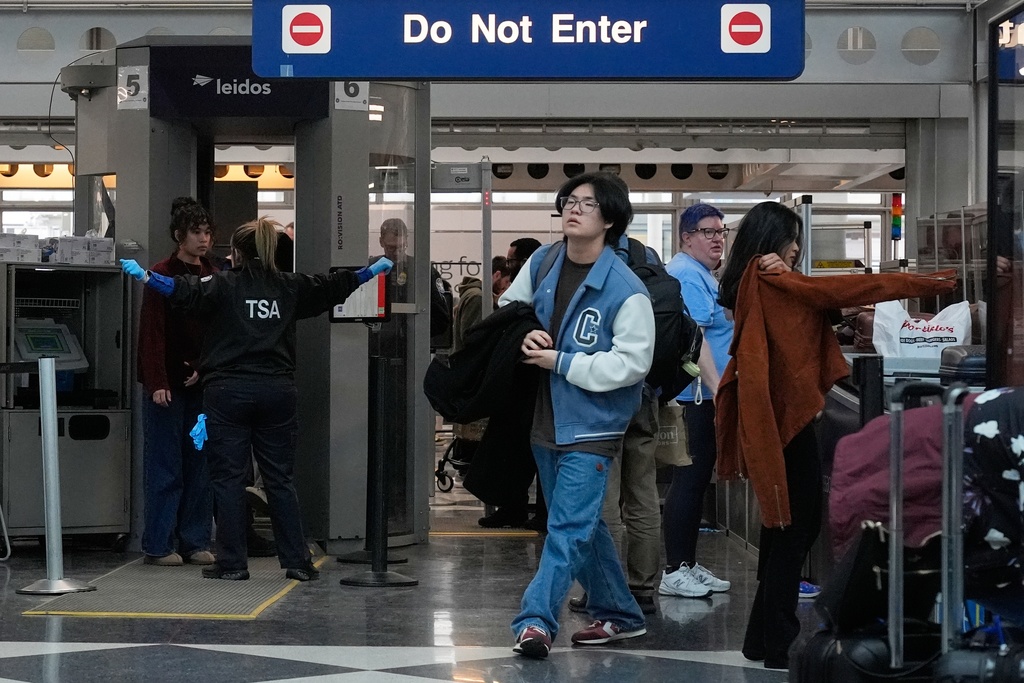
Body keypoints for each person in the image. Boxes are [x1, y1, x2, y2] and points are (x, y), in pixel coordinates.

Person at [714, 201, 956, 670]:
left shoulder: (754, 280)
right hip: (787, 423)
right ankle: (777, 643)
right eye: (793, 237)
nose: (798, 247)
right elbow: (855, 286)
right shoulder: (774, 277)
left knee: (782, 527)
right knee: (794, 528)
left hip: (773, 420)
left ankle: (761, 639)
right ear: (776, 241)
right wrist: (933, 282)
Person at [121, 217, 392, 582]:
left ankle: (232, 564)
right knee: (280, 479)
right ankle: (297, 562)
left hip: (228, 393)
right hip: (278, 391)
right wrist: (372, 270)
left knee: (229, 480)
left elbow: (181, 291)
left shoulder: (221, 285)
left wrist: (145, 277)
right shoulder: (290, 286)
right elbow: (332, 287)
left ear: (235, 253)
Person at [499, 171, 655, 659]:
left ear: (610, 218)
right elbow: (508, 307)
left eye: (586, 203)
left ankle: (535, 620)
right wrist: (524, 332)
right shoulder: (544, 262)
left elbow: (632, 364)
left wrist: (562, 362)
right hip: (543, 418)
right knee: (586, 525)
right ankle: (623, 614)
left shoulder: (627, 289)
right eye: (569, 200)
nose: (573, 208)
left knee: (565, 527)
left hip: (594, 425)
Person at [136, 197, 217, 567]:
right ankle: (158, 543)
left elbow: (221, 329)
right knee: (166, 465)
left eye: (207, 232)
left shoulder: (215, 274)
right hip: (167, 384)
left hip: (202, 385)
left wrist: (205, 365)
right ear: (178, 236)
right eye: (196, 233)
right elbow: (151, 333)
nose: (204, 240)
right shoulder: (160, 273)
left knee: (199, 464)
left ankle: (195, 540)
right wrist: (157, 381)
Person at [659, 203, 734, 599]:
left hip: (704, 393)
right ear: (686, 237)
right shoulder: (686, 274)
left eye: (721, 231)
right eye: (707, 231)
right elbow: (698, 338)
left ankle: (687, 562)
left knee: (696, 479)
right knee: (688, 481)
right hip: (696, 395)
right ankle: (674, 569)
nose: (717, 238)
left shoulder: (702, 274)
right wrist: (719, 387)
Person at [476, 237, 548, 530]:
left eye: (513, 262)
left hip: (539, 382)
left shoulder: (542, 288)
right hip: (519, 383)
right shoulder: (520, 294)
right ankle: (512, 507)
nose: (508, 268)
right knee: (513, 449)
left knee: (540, 449)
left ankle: (540, 513)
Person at [448, 256, 512, 475]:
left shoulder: (473, 295)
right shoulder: (478, 298)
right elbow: (474, 338)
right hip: (475, 375)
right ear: (496, 275)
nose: (507, 287)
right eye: (506, 281)